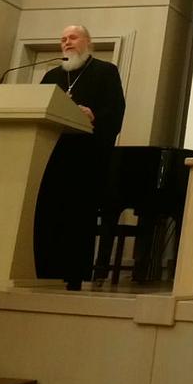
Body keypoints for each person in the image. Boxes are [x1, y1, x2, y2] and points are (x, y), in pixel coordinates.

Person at [35, 25, 126, 290]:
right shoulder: (52, 76)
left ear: (88, 42)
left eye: (73, 37)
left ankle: (73, 275)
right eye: (63, 39)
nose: (67, 42)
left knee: (77, 216)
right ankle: (42, 271)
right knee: (46, 213)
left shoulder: (105, 72)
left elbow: (116, 111)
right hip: (50, 156)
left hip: (86, 159)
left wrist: (94, 115)